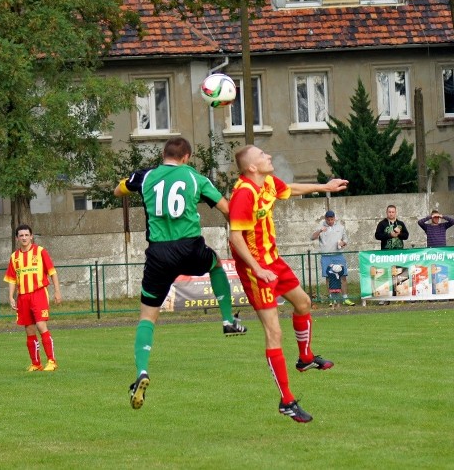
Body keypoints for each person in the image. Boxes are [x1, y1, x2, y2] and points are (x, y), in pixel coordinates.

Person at [114, 137, 246, 411]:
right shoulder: (195, 178)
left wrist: (129, 186)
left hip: (159, 254)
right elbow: (226, 208)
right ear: (186, 157)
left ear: (164, 155)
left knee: (147, 317)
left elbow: (119, 190)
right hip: (190, 247)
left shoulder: (147, 175)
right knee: (215, 265)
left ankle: (141, 372)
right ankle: (226, 319)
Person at [229, 145, 347, 423]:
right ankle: (287, 401)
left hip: (274, 261)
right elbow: (235, 238)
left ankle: (305, 358)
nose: (268, 156)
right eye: (262, 155)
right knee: (274, 333)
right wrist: (257, 269)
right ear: (252, 168)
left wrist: (324, 186)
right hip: (254, 269)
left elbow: (290, 189)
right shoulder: (244, 193)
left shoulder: (267, 182)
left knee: (304, 302)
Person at [5, 224, 62, 372]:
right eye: (21, 235)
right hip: (23, 297)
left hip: (38, 293)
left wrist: (57, 291)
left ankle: (52, 361)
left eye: (26, 235)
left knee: (41, 325)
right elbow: (12, 279)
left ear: (31, 236)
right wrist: (11, 296)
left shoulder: (40, 251)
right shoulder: (14, 257)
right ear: (17, 238)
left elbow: (52, 272)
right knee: (29, 329)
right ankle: (36, 363)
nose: (24, 238)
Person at [311, 210, 353, 307]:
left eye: (332, 219)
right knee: (329, 277)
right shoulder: (321, 226)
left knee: (343, 276)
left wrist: (343, 243)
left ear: (334, 218)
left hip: (338, 255)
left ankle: (345, 298)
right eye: (328, 219)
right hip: (326, 256)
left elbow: (346, 239)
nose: (330, 221)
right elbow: (312, 237)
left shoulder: (341, 227)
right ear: (325, 219)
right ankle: (332, 299)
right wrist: (320, 230)